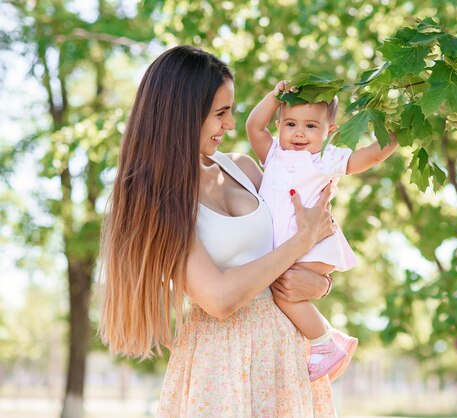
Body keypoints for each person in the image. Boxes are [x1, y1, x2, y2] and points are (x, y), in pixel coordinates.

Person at [98, 46, 339, 417]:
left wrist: (322, 284)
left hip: (285, 353)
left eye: (231, 112)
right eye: (220, 113)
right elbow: (220, 299)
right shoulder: (156, 200)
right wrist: (301, 242)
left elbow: (311, 232)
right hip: (223, 363)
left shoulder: (243, 167)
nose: (230, 125)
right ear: (183, 115)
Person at [246, 80, 398, 381]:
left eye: (311, 126)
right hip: (287, 248)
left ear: (330, 132)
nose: (299, 132)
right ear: (278, 125)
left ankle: (324, 344)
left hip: (316, 246)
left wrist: (395, 136)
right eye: (290, 124)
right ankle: (331, 337)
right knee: (282, 289)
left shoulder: (326, 160)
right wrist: (274, 96)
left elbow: (370, 156)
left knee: (285, 291)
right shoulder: (274, 154)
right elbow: (253, 127)